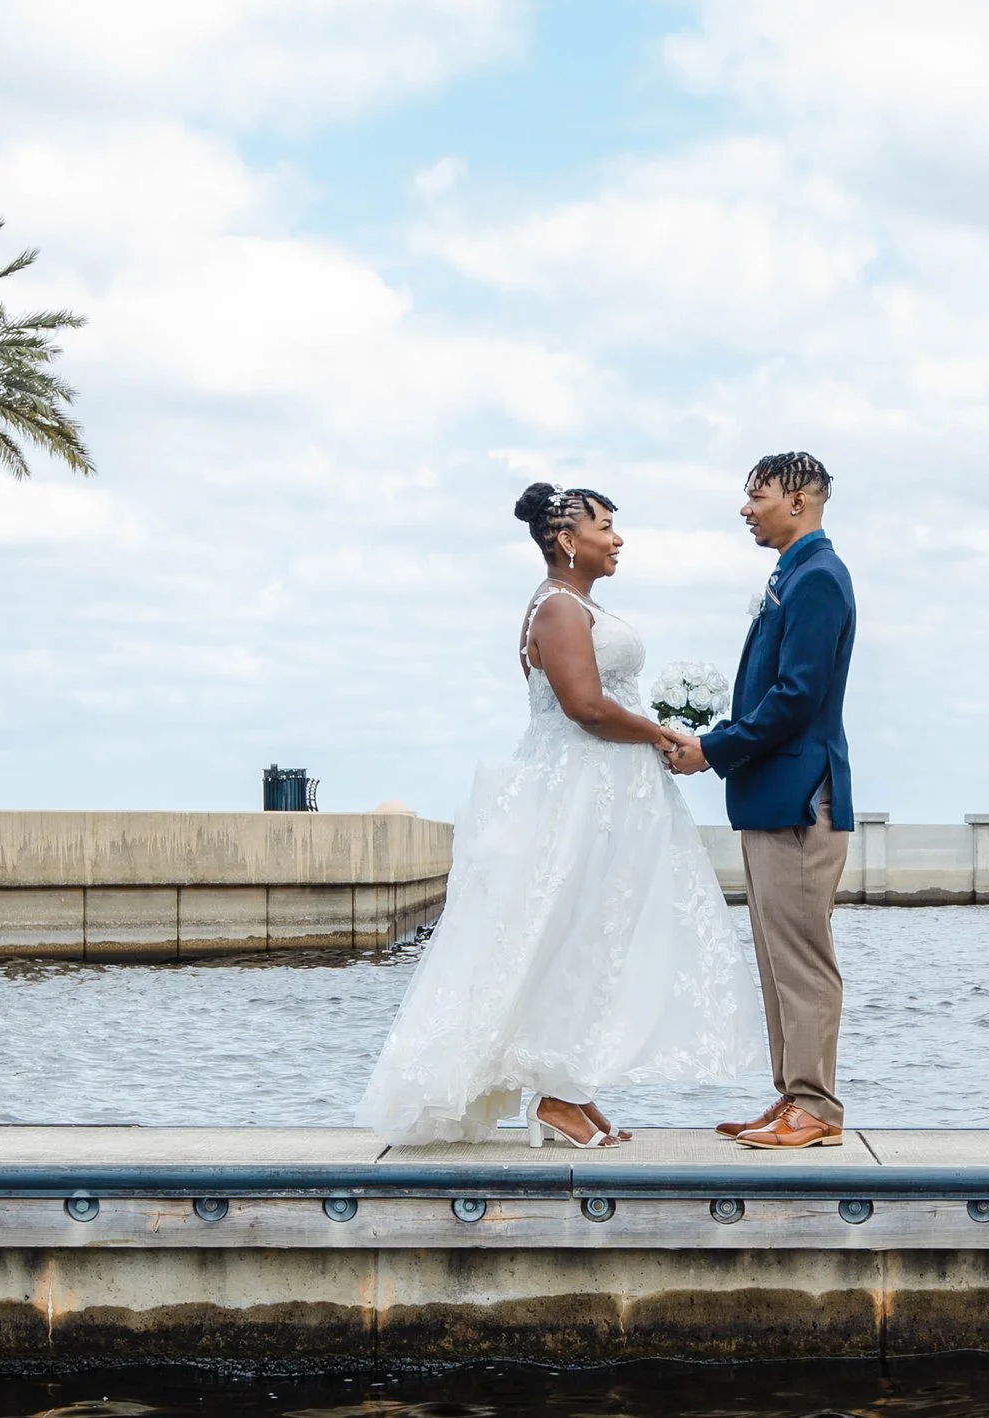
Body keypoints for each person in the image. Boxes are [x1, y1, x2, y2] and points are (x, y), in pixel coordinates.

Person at [359, 482, 764, 1148]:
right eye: (606, 526)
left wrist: (651, 729)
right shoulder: (557, 610)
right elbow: (587, 708)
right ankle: (554, 1096)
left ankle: (569, 1084)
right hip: (581, 793)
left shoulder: (577, 605)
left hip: (604, 790)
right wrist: (660, 734)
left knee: (595, 935)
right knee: (573, 935)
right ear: (567, 541)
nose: (618, 539)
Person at [663, 452, 856, 1150]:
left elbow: (797, 697)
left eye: (758, 496)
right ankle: (792, 1098)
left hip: (802, 799)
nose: (747, 509)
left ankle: (817, 1106)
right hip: (773, 798)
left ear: (799, 499)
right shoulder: (794, 575)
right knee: (778, 954)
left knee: (802, 955)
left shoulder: (819, 579)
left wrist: (714, 748)